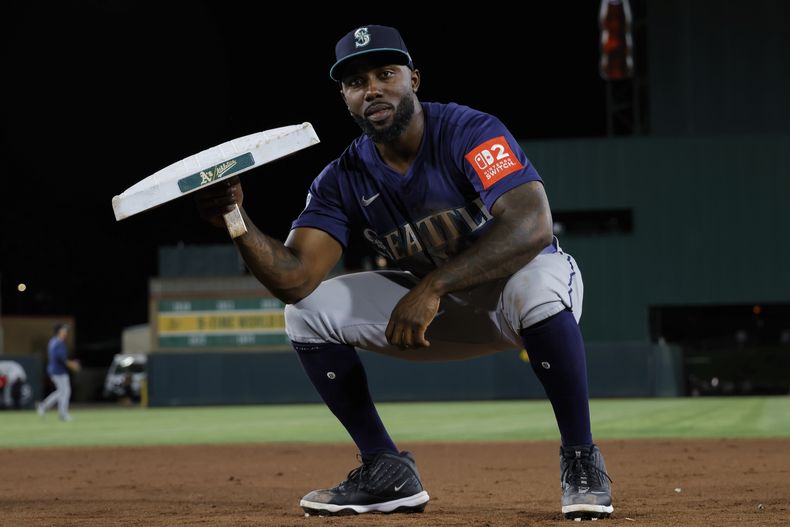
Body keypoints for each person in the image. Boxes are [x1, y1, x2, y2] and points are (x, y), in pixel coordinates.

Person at [194, 24, 613, 520]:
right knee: (306, 313)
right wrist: (235, 220)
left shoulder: (468, 130)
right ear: (345, 98)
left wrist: (433, 286)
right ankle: (385, 469)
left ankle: (582, 459)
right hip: (444, 314)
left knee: (536, 285)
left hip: (520, 292)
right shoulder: (341, 179)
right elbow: (295, 279)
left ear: (413, 79)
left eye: (384, 73)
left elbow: (532, 224)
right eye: (355, 81)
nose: (371, 88)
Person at [37, 323, 80, 421]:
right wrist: (73, 365)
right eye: (64, 330)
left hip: (55, 370)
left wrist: (71, 364)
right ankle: (61, 413)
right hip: (58, 371)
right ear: (59, 332)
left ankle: (46, 407)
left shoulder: (54, 341)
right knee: (64, 391)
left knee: (62, 391)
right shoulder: (58, 343)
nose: (66, 332)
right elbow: (62, 359)